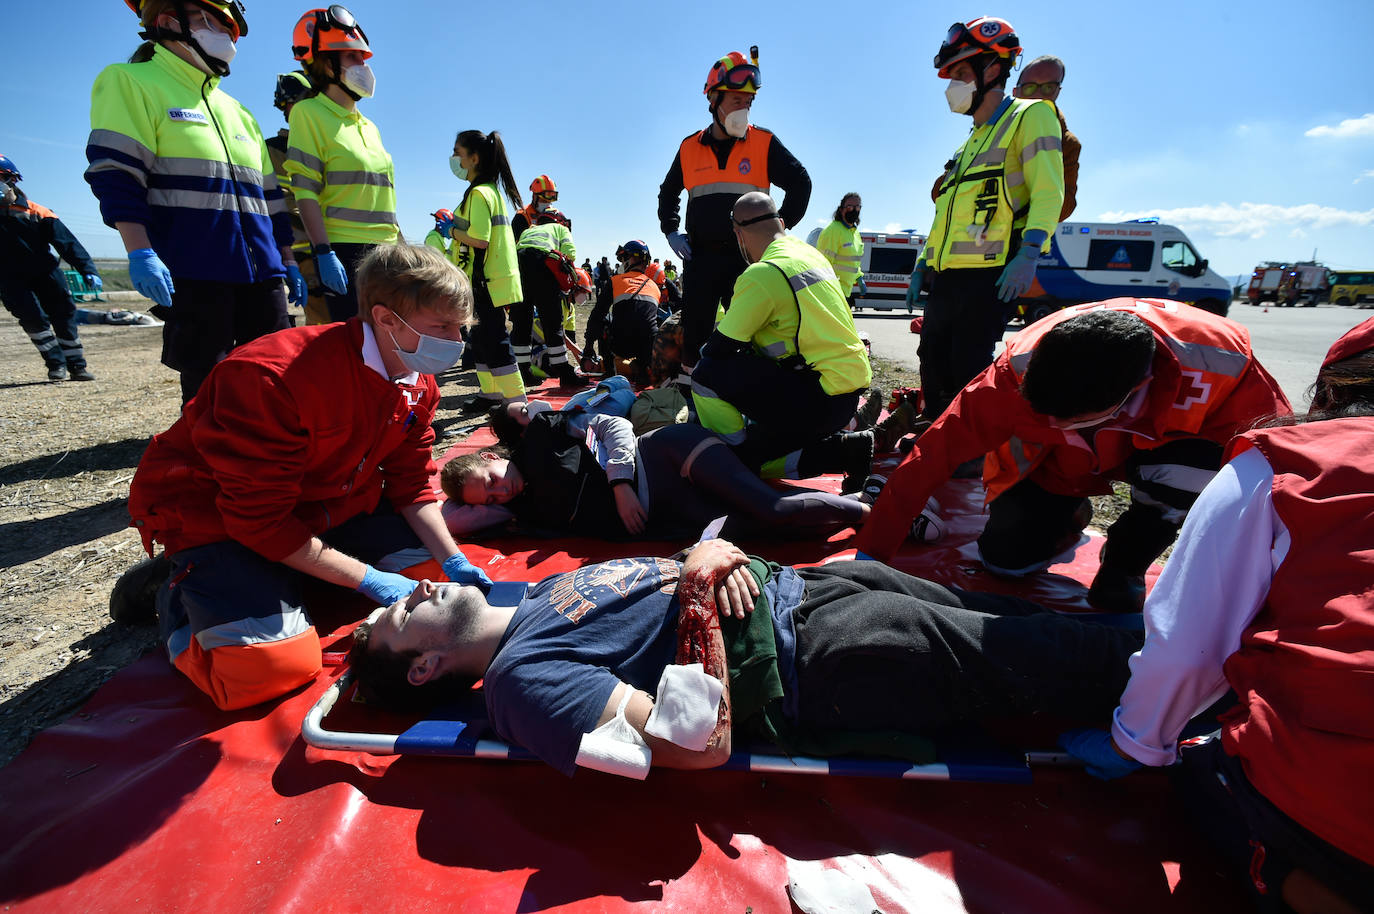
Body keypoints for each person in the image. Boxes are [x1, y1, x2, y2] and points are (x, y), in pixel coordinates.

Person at [348, 536, 1145, 779]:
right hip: (826, 657)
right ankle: (1238, 676)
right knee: (1086, 658)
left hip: (817, 590)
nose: (404, 594)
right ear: (422, 669)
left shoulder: (532, 594)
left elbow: (683, 571)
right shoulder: (525, 684)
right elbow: (692, 745)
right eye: (394, 620)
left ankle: (1211, 643)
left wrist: (712, 550)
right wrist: (698, 600)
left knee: (1045, 627)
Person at [1060, 318, 1374, 914]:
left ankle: (1298, 877)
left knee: (1207, 764)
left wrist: (1136, 743)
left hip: (1336, 799)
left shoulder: (1284, 463)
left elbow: (1188, 647)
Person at [111, 245, 491, 711]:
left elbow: (411, 481)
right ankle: (178, 590)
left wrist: (452, 559)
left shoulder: (416, 379)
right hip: (218, 519)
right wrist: (365, 577)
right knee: (265, 669)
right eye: (442, 328)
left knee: (427, 576)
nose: (456, 342)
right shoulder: (273, 377)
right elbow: (256, 519)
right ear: (386, 319)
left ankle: (279, 573)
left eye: (461, 328)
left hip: (321, 506)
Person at [858, 300, 1292, 612]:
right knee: (1005, 561)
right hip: (1067, 464)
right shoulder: (1012, 374)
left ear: (1134, 389)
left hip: (1176, 446)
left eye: (1072, 418)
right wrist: (870, 558)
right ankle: (1069, 515)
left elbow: (1278, 458)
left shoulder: (1221, 363)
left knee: (1183, 479)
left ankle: (1126, 560)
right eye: (1040, 413)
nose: (1054, 422)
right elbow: (930, 458)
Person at [86, 0, 300, 404]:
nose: (226, 34)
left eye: (228, 25)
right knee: (210, 388)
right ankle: (211, 463)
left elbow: (271, 197)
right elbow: (116, 171)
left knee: (275, 379)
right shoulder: (131, 81)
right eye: (215, 21)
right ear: (169, 22)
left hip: (264, 273)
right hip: (197, 271)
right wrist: (140, 251)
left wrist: (287, 258)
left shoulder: (238, 111)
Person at [912, 18, 1064, 426]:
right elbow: (947, 209)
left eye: (961, 73)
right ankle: (933, 430)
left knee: (966, 363)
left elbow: (1050, 190)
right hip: (948, 274)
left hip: (991, 272)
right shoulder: (969, 141)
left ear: (992, 69)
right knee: (931, 354)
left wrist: (1030, 251)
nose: (953, 85)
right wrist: (924, 261)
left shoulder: (1031, 116)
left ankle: (964, 448)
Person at [441, 410, 868, 542]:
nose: (502, 492)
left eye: (492, 480)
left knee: (770, 507)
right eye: (491, 499)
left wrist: (620, 483)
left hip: (666, 455)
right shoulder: (521, 511)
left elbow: (614, 425)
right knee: (760, 531)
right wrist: (476, 502)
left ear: (492, 455)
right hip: (668, 509)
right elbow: (451, 520)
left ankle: (871, 512)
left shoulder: (540, 436)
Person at [692, 192, 875, 491]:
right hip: (844, 391)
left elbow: (717, 350)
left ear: (738, 234)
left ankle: (733, 458)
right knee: (765, 447)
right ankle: (847, 450)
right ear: (781, 222)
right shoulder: (809, 254)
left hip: (817, 397)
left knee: (705, 374)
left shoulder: (763, 273)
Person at [658, 47, 812, 390]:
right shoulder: (689, 147)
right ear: (713, 99)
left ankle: (754, 393)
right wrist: (671, 232)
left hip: (748, 260)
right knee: (696, 331)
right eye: (737, 99)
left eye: (749, 101)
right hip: (700, 257)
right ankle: (691, 394)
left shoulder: (764, 142)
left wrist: (779, 227)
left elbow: (801, 182)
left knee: (755, 331)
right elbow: (668, 193)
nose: (744, 107)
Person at [287, 5, 397, 323]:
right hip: (345, 251)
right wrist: (323, 251)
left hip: (385, 251)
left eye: (363, 58)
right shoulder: (308, 114)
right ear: (324, 62)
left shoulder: (369, 125)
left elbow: (384, 198)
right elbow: (304, 189)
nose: (363, 65)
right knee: (358, 348)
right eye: (352, 56)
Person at [1, 155, 99, 381]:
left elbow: (67, 243)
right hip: (10, 280)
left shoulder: (38, 212)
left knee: (64, 315)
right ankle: (56, 363)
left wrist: (88, 270)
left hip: (46, 274)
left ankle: (77, 366)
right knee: (33, 319)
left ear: (12, 179)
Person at [448, 129, 526, 409]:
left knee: (495, 340)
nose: (454, 157)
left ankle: (518, 403)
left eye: (458, 151)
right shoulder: (488, 191)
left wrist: (451, 231)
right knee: (481, 339)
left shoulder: (479, 194)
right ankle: (490, 394)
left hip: (485, 281)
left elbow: (480, 240)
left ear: (474, 158)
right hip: (489, 279)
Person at [264, 70, 328, 326]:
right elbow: (284, 205)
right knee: (326, 331)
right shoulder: (275, 151)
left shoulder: (328, 147)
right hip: (309, 257)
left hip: (345, 252)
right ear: (289, 107)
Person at [512, 208, 582, 387]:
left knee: (522, 321)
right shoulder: (560, 229)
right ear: (560, 221)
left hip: (517, 264)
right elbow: (570, 254)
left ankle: (523, 371)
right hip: (542, 263)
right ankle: (564, 372)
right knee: (552, 320)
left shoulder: (528, 230)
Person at [1012, 55, 1079, 222]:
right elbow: (940, 192)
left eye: (1049, 87)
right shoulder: (990, 127)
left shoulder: (1067, 144)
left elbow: (1063, 209)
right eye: (1029, 87)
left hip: (1018, 243)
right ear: (1015, 92)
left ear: (1058, 91)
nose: (1039, 95)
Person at [591, 240, 661, 384]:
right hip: (648, 348)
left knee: (604, 319)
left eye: (624, 259)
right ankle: (643, 368)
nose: (623, 263)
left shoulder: (615, 280)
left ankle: (610, 372)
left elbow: (597, 315)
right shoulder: (654, 286)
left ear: (632, 258)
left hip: (621, 345)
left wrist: (587, 349)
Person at [814, 192, 866, 306]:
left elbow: (853, 262)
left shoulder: (855, 233)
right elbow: (822, 264)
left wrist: (859, 277)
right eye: (850, 206)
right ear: (841, 209)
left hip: (845, 292)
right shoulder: (832, 231)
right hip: (832, 292)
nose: (854, 210)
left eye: (857, 207)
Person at [511, 174, 569, 240]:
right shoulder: (522, 215)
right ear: (534, 196)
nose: (547, 203)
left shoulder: (558, 217)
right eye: (544, 200)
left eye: (550, 201)